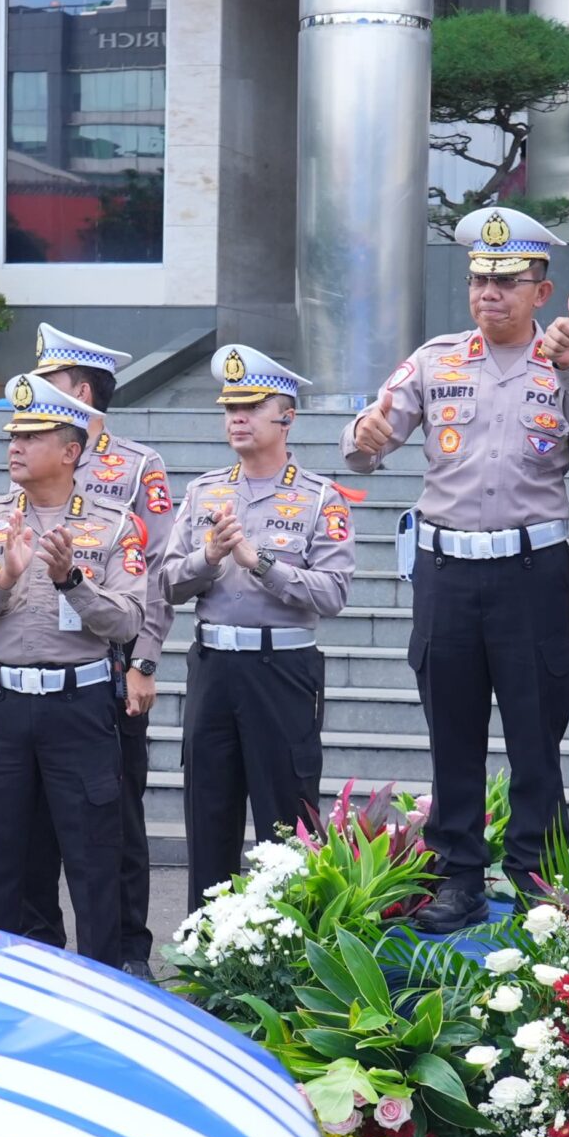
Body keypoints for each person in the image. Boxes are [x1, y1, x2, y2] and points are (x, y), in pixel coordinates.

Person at [343, 207, 569, 931]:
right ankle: (458, 878)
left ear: (541, 291)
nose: (488, 294)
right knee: (453, 733)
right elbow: (371, 442)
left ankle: (535, 877)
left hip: (532, 574)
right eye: (478, 281)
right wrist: (364, 438)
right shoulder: (434, 361)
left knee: (536, 734)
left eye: (506, 282)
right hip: (447, 574)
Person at [0, 374, 149, 965]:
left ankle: (103, 987)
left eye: (32, 437)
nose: (15, 446)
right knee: (0, 863)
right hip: (3, 706)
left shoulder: (114, 524)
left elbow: (128, 621)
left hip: (78, 708)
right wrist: (2, 579)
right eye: (14, 435)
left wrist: (71, 581)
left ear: (70, 451)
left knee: (93, 863)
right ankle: (5, 982)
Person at [162, 345, 355, 901]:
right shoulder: (203, 492)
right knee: (209, 816)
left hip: (281, 668)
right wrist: (208, 558)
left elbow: (334, 593)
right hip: (213, 667)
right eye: (230, 408)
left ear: (287, 416)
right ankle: (207, 940)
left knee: (285, 821)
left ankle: (288, 943)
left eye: (251, 407)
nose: (237, 418)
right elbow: (167, 583)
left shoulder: (320, 498)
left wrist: (262, 564)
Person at [29, 323, 175, 980]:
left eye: (49, 381)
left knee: (118, 815)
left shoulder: (136, 466)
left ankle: (127, 951)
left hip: (111, 662)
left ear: (81, 392)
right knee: (38, 820)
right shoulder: (32, 451)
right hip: (42, 664)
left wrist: (144, 661)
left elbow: (160, 571)